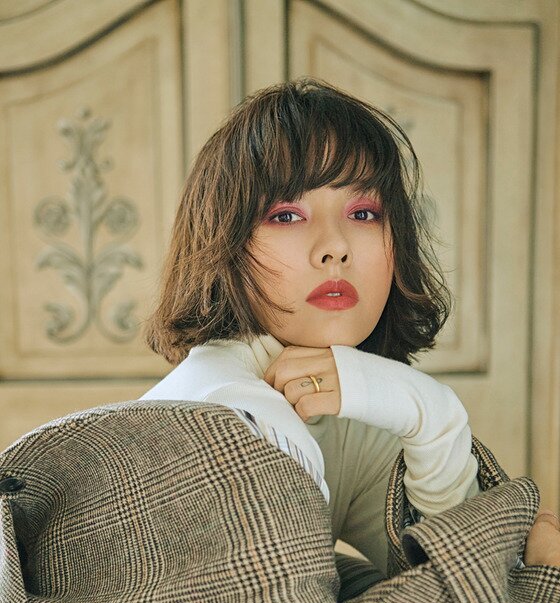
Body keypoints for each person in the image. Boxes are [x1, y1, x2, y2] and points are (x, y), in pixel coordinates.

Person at [139, 77, 560, 577]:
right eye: (286, 216)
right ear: (224, 244)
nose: (335, 247)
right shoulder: (227, 418)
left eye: (363, 213)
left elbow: (473, 581)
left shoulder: (346, 421)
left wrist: (431, 415)